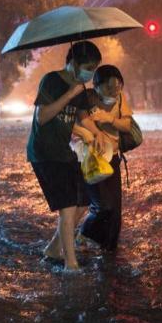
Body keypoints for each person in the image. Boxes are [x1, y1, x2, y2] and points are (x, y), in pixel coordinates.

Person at [27, 41, 110, 271]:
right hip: (44, 153)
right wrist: (69, 94)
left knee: (84, 202)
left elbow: (83, 118)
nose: (91, 73)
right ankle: (70, 264)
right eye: (89, 67)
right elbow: (41, 117)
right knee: (68, 207)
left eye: (94, 68)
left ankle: (54, 248)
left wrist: (98, 134)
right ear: (73, 63)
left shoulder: (81, 89)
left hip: (64, 152)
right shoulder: (51, 81)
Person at [77, 65, 134, 251]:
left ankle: (109, 249)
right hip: (92, 159)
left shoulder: (119, 99)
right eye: (109, 87)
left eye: (118, 86)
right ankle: (83, 233)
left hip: (113, 158)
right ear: (97, 85)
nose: (114, 91)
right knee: (102, 205)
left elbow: (127, 126)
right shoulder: (87, 99)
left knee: (115, 212)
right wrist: (93, 125)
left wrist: (110, 119)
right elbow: (78, 125)